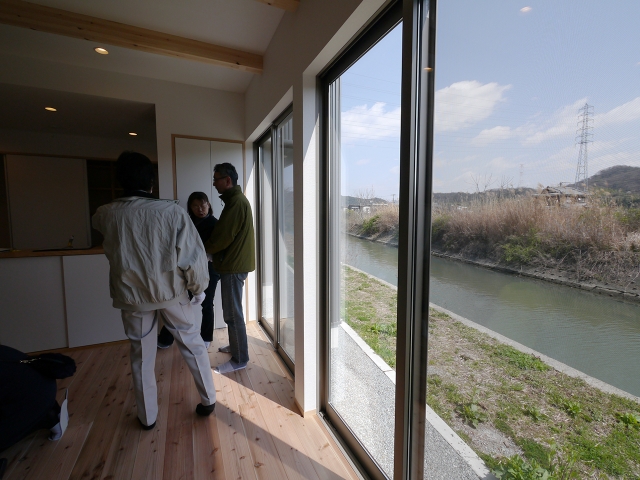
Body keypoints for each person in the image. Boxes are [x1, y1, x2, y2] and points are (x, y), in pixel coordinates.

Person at [92, 151, 216, 430]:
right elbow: (193, 258)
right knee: (193, 345)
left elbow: (97, 222)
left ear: (120, 181)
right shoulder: (172, 212)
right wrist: (199, 289)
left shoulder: (106, 214)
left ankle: (147, 417)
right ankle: (208, 399)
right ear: (151, 182)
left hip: (132, 298)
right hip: (171, 293)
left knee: (141, 356)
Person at [204, 163, 255, 374]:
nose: (214, 183)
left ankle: (240, 358)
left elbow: (224, 236)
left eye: (216, 179)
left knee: (233, 315)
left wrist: (205, 251)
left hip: (233, 267)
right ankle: (236, 348)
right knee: (232, 313)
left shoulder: (235, 203)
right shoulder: (234, 201)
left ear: (227, 180)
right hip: (233, 264)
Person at [157, 192, 221, 350]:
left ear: (209, 205)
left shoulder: (215, 224)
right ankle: (166, 338)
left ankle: (206, 337)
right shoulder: (187, 222)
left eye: (203, 204)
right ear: (190, 208)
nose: (200, 209)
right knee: (180, 303)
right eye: (195, 206)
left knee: (207, 304)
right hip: (186, 269)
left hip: (210, 270)